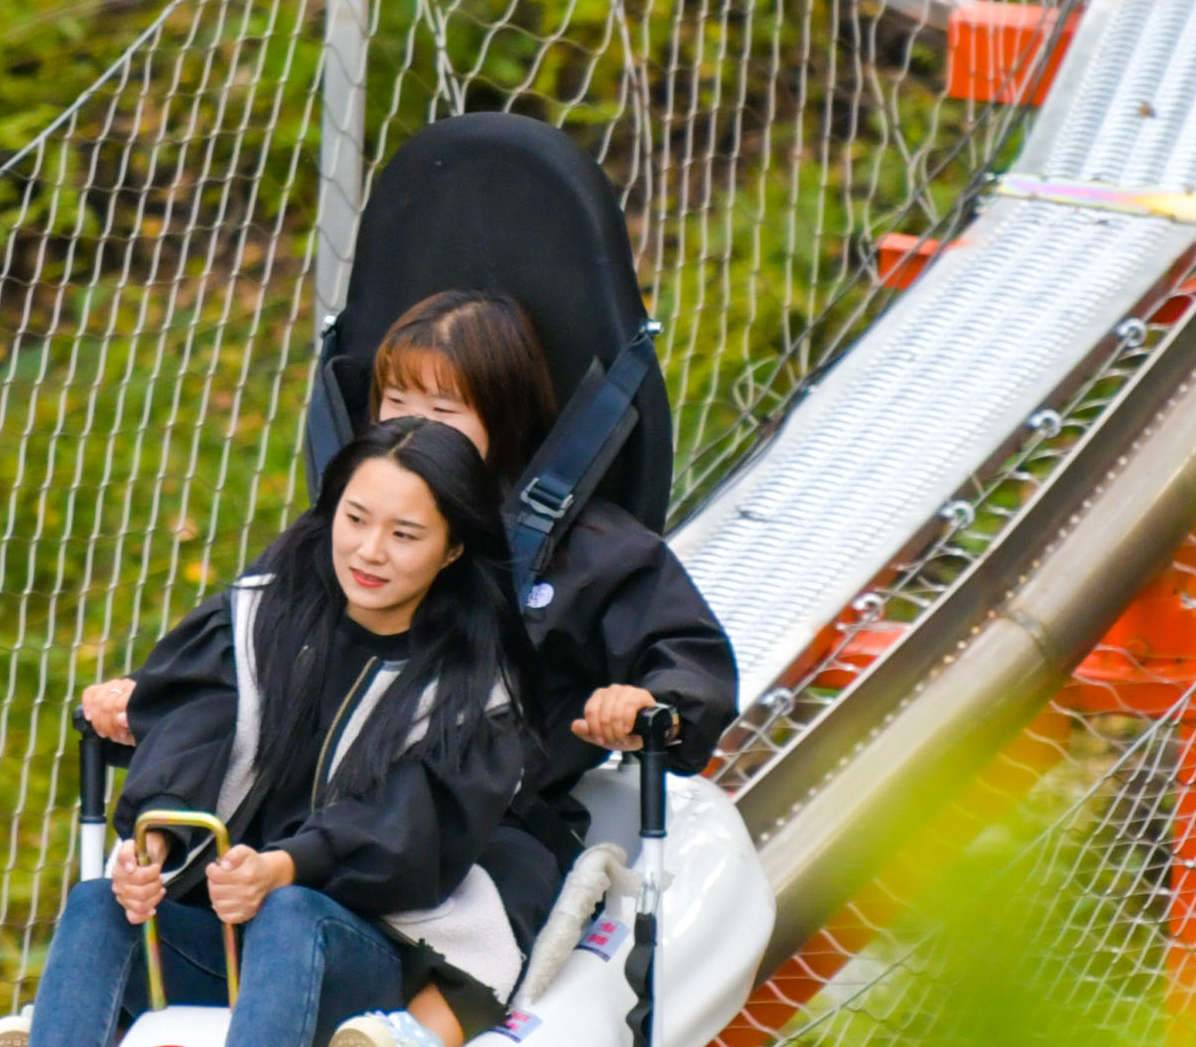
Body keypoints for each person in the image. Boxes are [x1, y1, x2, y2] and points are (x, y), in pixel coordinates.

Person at [0, 421, 541, 1047]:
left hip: (357, 964)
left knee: (289, 912)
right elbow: (192, 727)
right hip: (223, 933)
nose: (368, 551)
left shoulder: (473, 683)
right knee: (98, 899)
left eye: (404, 535)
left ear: (453, 548)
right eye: (354, 519)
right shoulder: (263, 614)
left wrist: (284, 866)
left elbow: (414, 830)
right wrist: (153, 842)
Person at [69, 287, 743, 962]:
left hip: (477, 821)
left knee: (497, 879)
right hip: (322, 806)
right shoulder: (353, 532)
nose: (416, 426)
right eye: (396, 404)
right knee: (201, 856)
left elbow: (685, 657)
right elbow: (248, 645)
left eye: (444, 411)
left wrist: (647, 702)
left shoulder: (592, 550)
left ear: (500, 419)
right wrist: (154, 694)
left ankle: (420, 1039)